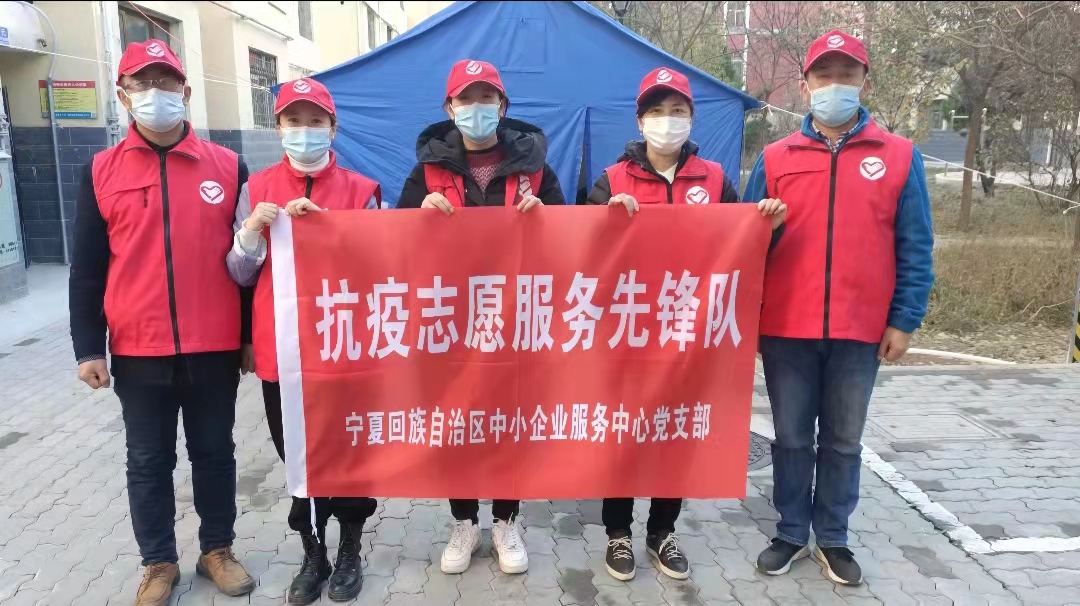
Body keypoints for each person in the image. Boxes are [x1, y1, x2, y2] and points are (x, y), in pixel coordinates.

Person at [744, 30, 934, 586]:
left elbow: (915, 245)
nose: (834, 85)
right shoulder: (776, 157)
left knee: (844, 441)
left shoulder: (898, 157)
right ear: (805, 87)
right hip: (787, 329)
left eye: (846, 75)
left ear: (864, 82)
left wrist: (904, 319)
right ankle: (790, 531)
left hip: (860, 329)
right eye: (823, 76)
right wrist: (752, 308)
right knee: (791, 438)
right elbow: (745, 246)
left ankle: (833, 536)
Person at [69, 40, 255, 606]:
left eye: (166, 82)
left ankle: (217, 550)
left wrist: (248, 337)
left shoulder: (228, 166)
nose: (156, 93)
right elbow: (87, 268)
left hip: (213, 344)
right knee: (148, 461)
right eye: (142, 83)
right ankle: (158, 562)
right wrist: (88, 348)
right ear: (123, 95)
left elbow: (249, 262)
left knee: (215, 454)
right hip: (138, 348)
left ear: (186, 91)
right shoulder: (100, 171)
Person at [585, 66, 787, 582]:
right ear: (640, 120)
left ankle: (662, 531)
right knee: (626, 434)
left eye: (677, 110)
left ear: (691, 117)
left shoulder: (715, 180)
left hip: (687, 333)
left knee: (674, 432)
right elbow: (582, 256)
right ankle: (617, 532)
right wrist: (605, 221)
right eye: (656, 111)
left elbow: (742, 249)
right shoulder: (612, 180)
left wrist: (767, 224)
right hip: (628, 332)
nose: (667, 120)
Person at [397, 58, 565, 576]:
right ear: (449, 108)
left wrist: (547, 221)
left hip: (514, 319)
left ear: (503, 106)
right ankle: (464, 521)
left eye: (486, 98)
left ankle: (507, 520)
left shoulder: (535, 168)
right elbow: (394, 245)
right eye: (466, 99)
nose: (477, 108)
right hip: (451, 322)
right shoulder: (427, 171)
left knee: (510, 419)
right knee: (455, 420)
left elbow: (572, 240)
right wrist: (419, 218)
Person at [225, 77, 381, 604]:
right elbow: (240, 273)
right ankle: (313, 553)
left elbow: (380, 266)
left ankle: (350, 548)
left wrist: (331, 231)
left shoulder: (362, 190)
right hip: (283, 351)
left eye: (316, 122)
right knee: (297, 455)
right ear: (279, 128)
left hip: (344, 347)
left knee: (349, 451)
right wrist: (251, 231)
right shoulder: (257, 188)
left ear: (333, 128)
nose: (305, 131)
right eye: (294, 121)